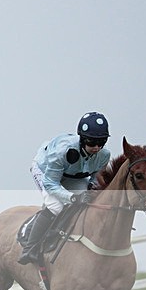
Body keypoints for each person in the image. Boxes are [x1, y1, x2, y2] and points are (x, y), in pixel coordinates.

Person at [17, 112, 112, 265]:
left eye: (101, 142)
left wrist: (90, 192)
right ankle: (29, 248)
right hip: (45, 171)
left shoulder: (104, 155)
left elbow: (95, 179)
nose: (96, 147)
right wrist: (72, 197)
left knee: (85, 204)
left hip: (74, 175)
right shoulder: (62, 151)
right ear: (82, 139)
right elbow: (50, 183)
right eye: (92, 142)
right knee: (56, 206)